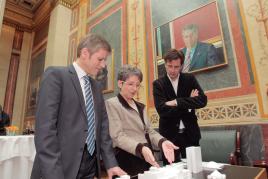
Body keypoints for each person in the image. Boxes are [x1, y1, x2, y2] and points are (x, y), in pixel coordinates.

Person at [31, 34, 126, 179]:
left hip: (90, 166)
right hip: (60, 167)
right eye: (100, 59)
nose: (103, 65)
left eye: (104, 60)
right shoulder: (56, 76)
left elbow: (102, 128)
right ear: (84, 53)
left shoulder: (95, 86)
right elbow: (45, 131)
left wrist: (111, 163)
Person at [105, 65, 178, 178]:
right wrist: (141, 148)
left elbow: (149, 131)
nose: (135, 89)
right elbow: (117, 136)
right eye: (130, 84)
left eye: (138, 85)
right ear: (120, 83)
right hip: (127, 160)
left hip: (146, 158)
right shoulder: (112, 104)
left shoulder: (141, 106)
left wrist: (162, 141)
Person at [153, 49, 207, 163]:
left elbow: (202, 100)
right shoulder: (158, 84)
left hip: (191, 135)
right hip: (169, 137)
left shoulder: (189, 79)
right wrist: (188, 105)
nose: (173, 70)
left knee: (194, 170)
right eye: (170, 66)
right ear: (165, 64)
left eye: (176, 67)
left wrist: (176, 102)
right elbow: (162, 110)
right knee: (171, 172)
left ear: (181, 65)